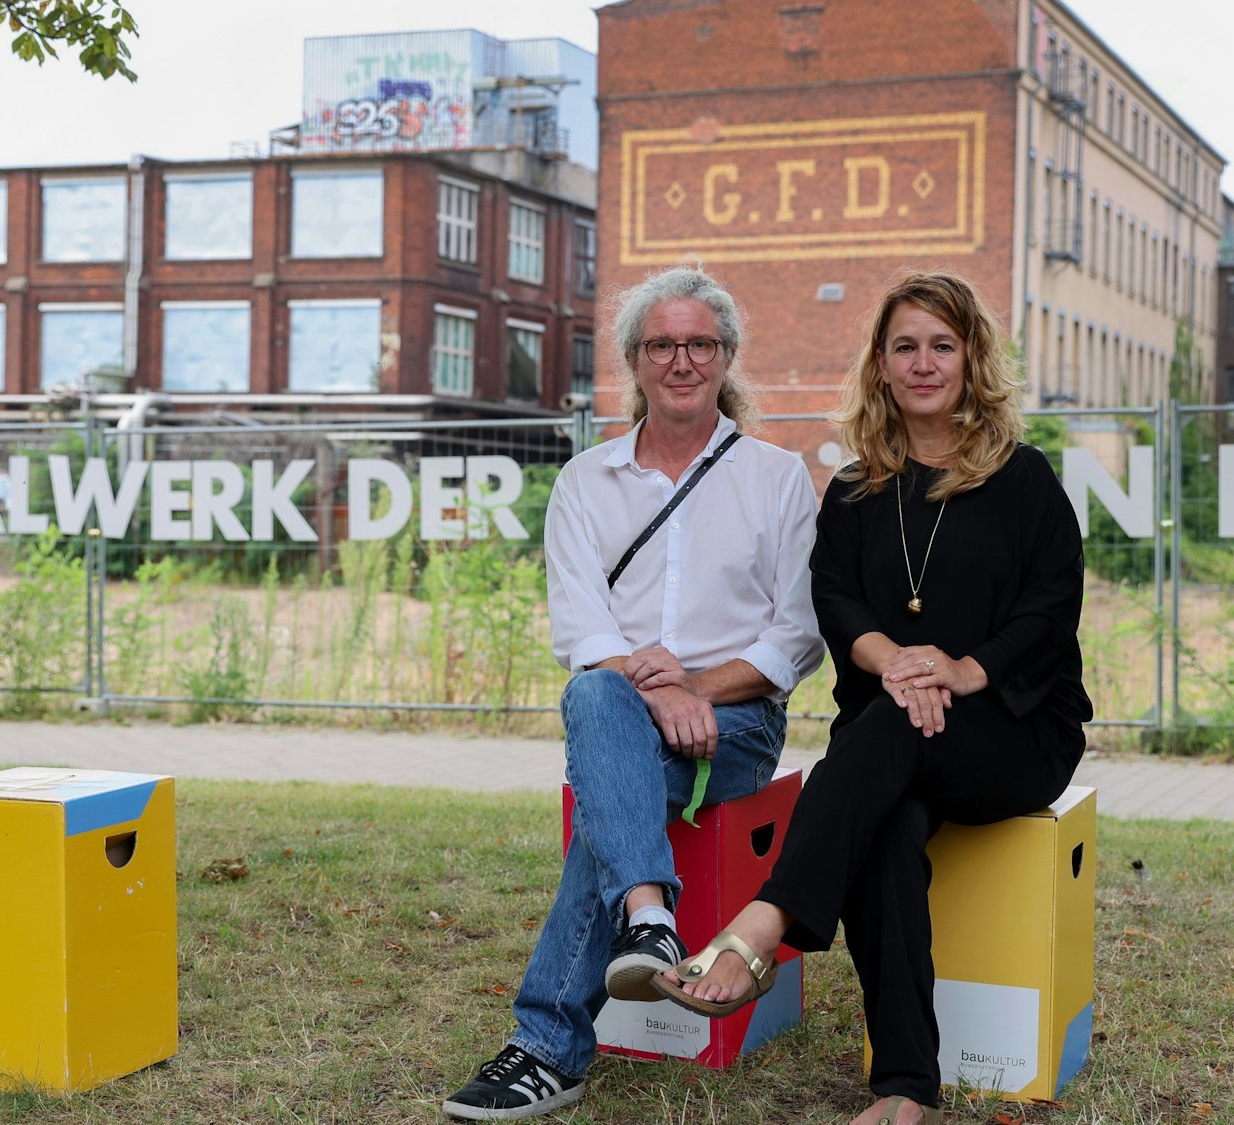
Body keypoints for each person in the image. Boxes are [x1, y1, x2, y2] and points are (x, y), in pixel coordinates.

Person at [650, 270, 1092, 1125]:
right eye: (905, 347)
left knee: (878, 745)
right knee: (884, 823)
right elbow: (837, 602)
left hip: (1013, 731)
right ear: (881, 365)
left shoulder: (1024, 478)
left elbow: (1049, 610)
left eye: (942, 345)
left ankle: (763, 923)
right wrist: (897, 665)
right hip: (896, 733)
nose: (923, 363)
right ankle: (904, 1086)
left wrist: (961, 671)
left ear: (972, 358)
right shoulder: (856, 492)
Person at [442, 266, 825, 1120]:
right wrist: (659, 696)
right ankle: (646, 921)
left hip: (737, 724)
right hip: (620, 712)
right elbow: (584, 635)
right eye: (662, 345)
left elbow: (797, 635)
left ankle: (552, 1040)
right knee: (593, 698)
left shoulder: (775, 476)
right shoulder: (586, 481)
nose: (681, 361)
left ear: (726, 356)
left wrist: (694, 687)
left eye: (700, 344)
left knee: (605, 772)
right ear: (633, 359)